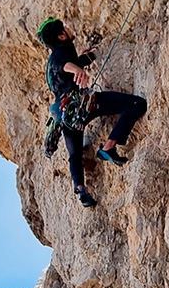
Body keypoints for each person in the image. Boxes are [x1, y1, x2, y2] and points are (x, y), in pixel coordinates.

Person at [37, 17, 147, 207]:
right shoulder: (59, 55)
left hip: (67, 117)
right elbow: (62, 64)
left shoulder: (55, 59)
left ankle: (81, 191)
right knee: (136, 104)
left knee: (75, 155)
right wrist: (77, 69)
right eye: (65, 28)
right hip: (85, 105)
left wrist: (85, 60)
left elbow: (63, 68)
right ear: (62, 36)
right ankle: (108, 147)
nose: (69, 28)